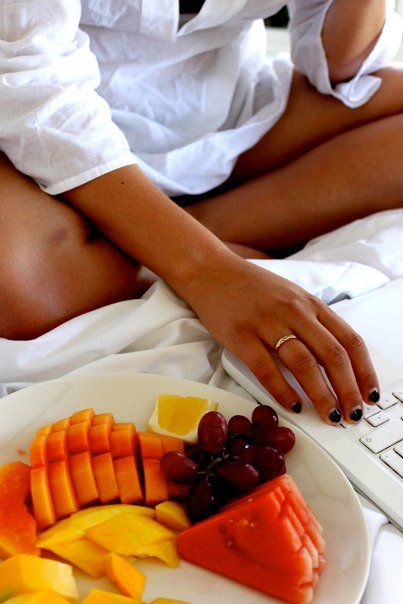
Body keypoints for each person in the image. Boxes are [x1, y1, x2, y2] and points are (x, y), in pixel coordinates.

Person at [0, 0, 402, 425]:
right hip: (36, 133)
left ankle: (163, 228)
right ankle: (168, 233)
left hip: (220, 113)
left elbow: (342, 65)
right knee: (22, 289)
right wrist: (207, 268)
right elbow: (30, 80)